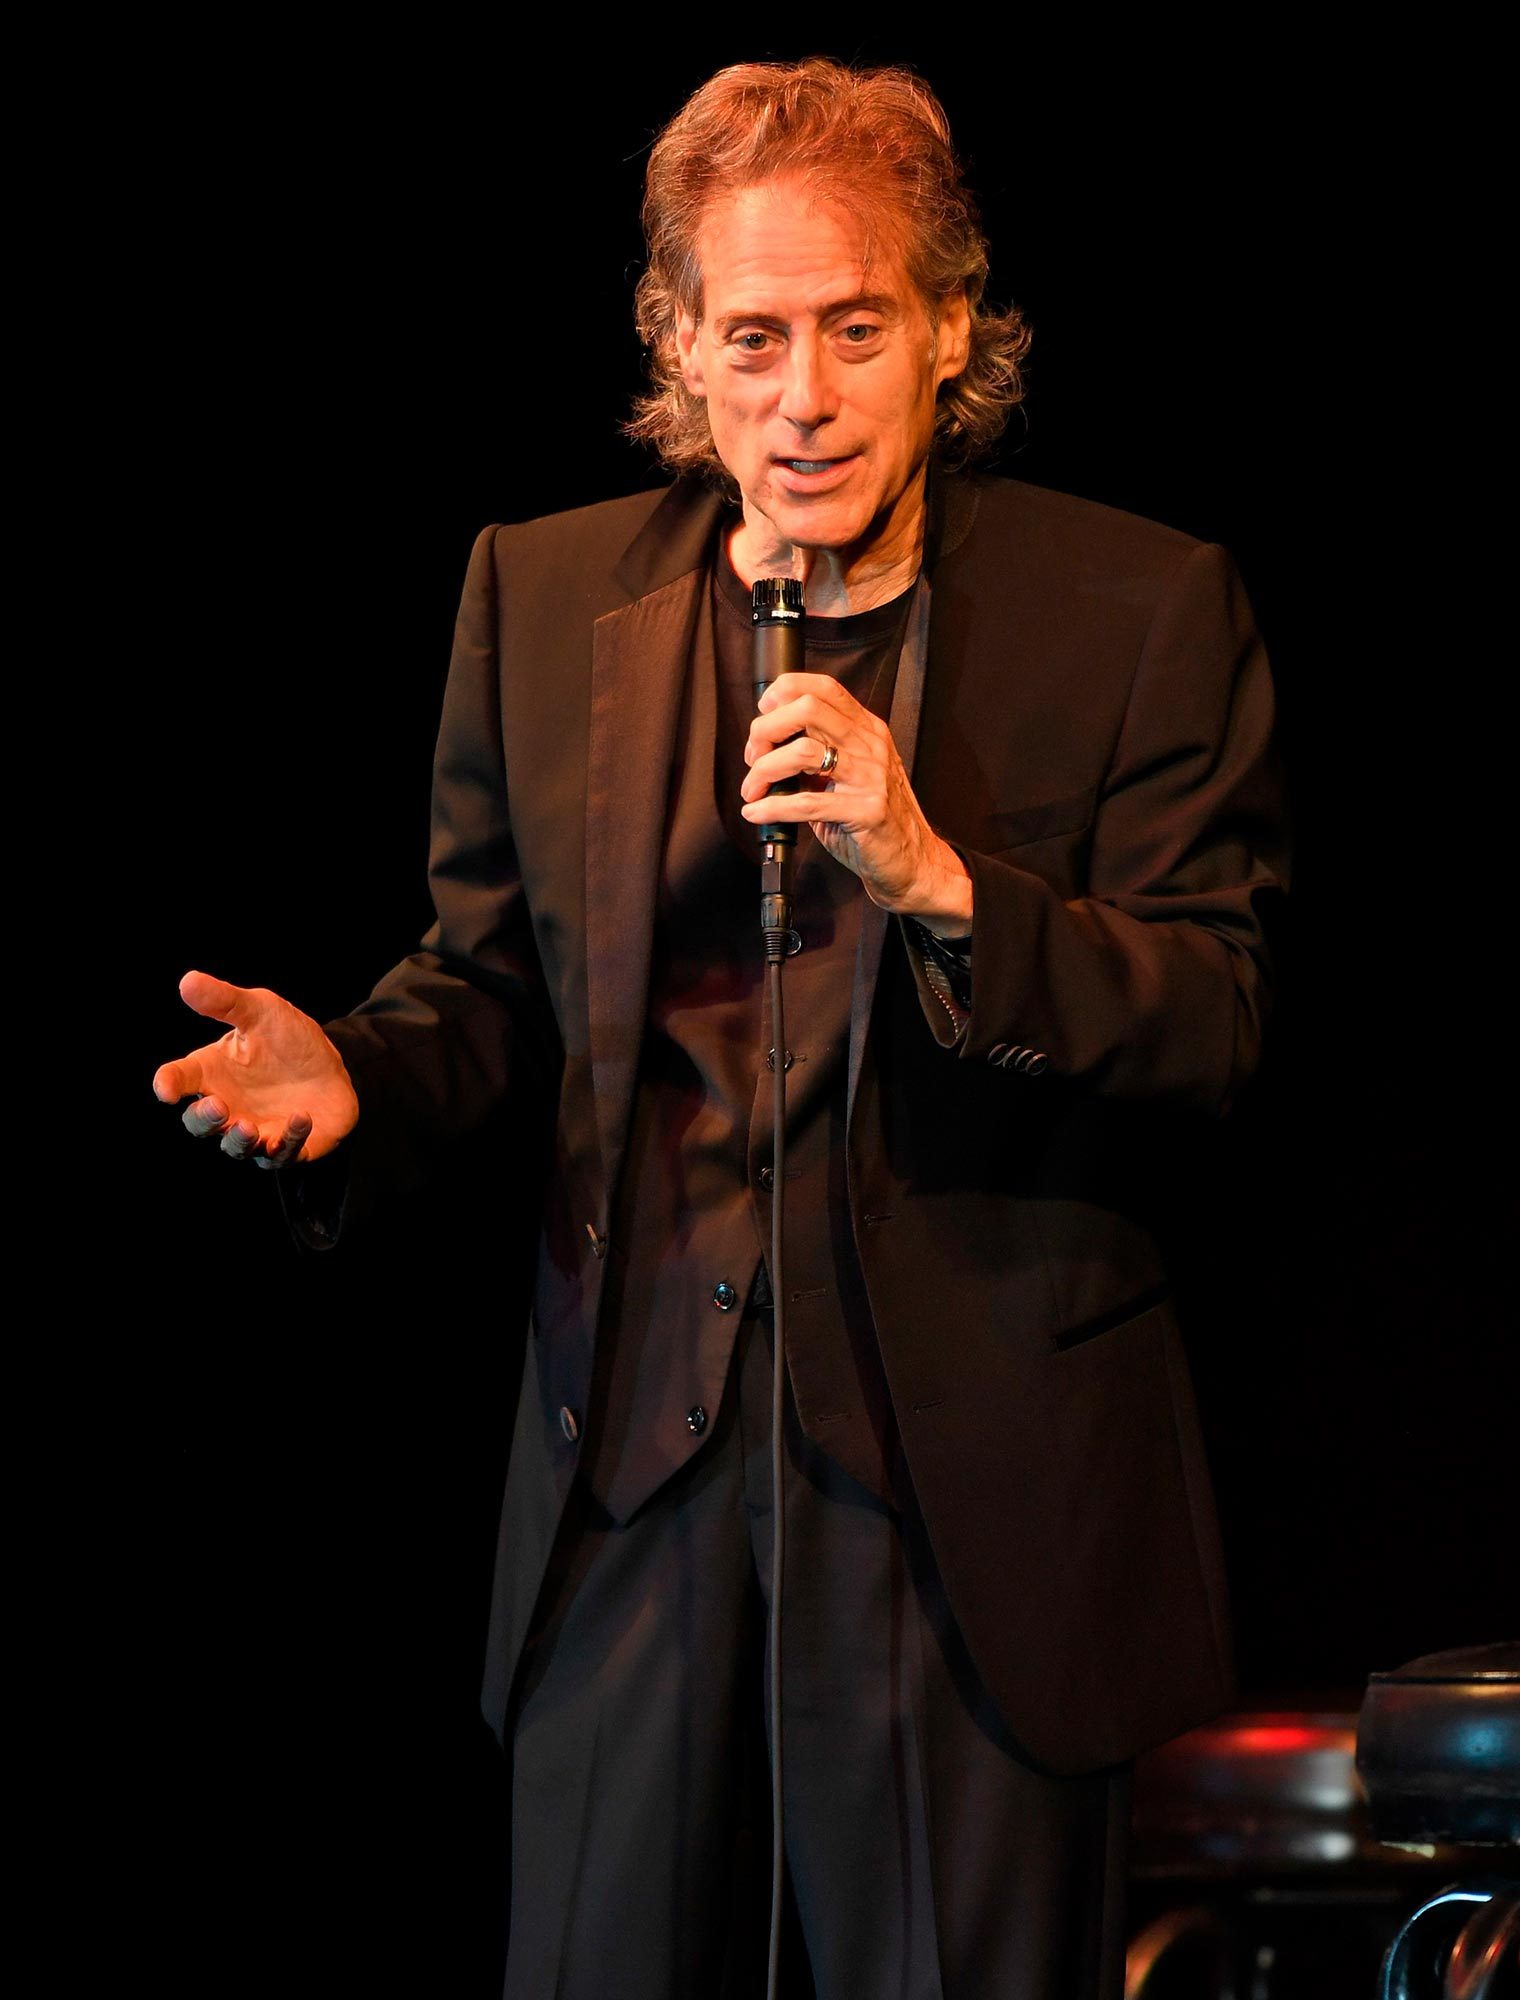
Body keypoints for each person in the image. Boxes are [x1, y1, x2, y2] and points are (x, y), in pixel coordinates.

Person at [153, 59, 1286, 2000]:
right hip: (631, 1494)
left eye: (856, 328)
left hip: (963, 1512)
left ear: (950, 327)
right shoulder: (544, 593)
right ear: (676, 349)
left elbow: (1213, 1017)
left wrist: (938, 877)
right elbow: (492, 985)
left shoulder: (1140, 608)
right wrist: (361, 1073)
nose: (803, 395)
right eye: (749, 338)